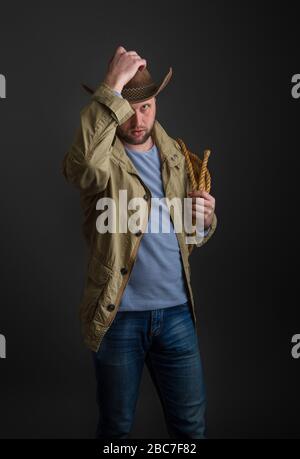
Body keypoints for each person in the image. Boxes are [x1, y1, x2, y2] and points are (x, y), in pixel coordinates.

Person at [62, 45, 217, 439]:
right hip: (118, 318)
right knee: (116, 429)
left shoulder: (177, 156)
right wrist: (110, 87)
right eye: (128, 108)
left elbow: (189, 238)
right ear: (114, 107)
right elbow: (81, 169)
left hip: (178, 315)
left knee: (190, 429)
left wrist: (204, 219)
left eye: (146, 107)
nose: (137, 119)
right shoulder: (100, 159)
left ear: (156, 103)